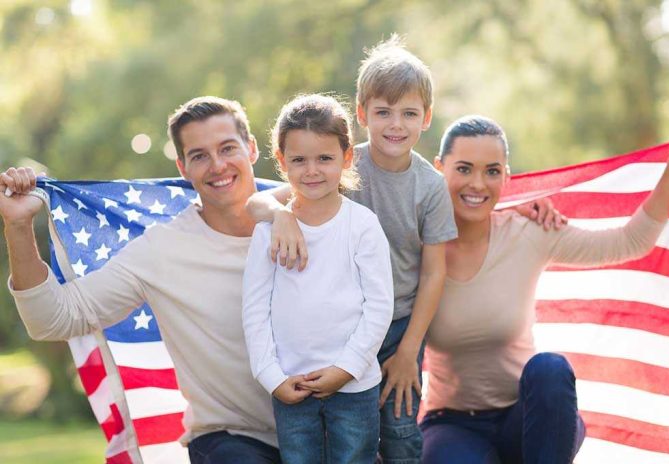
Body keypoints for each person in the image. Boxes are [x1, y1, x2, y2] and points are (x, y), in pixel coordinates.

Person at [246, 36, 562, 463]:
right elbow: (260, 201)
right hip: (343, 325)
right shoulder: (339, 165)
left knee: (398, 430)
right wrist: (279, 215)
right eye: (383, 112)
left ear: (426, 117)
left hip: (398, 326)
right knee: (342, 436)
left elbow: (434, 272)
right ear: (362, 114)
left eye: (409, 113)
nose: (396, 124)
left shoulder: (429, 186)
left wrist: (410, 350)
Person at [0, 96, 282, 464]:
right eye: (199, 155)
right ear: (182, 167)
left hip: (322, 428)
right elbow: (52, 319)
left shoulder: (307, 216)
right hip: (233, 441)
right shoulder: (161, 250)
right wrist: (18, 225)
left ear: (252, 149)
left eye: (228, 148)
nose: (218, 165)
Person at [421, 116, 669, 464]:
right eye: (464, 169)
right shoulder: (417, 246)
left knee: (550, 368)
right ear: (439, 169)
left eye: (492, 171)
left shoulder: (528, 232)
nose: (477, 183)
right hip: (453, 424)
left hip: (528, 418)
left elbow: (630, 241)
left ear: (506, 176)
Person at [242, 94, 394, 464]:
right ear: (281, 162)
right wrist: (271, 376)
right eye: (299, 160)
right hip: (291, 384)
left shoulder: (361, 225)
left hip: (354, 384)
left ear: (347, 157)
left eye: (324, 158)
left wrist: (346, 369)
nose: (312, 170)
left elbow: (378, 306)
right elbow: (254, 309)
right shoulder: (269, 232)